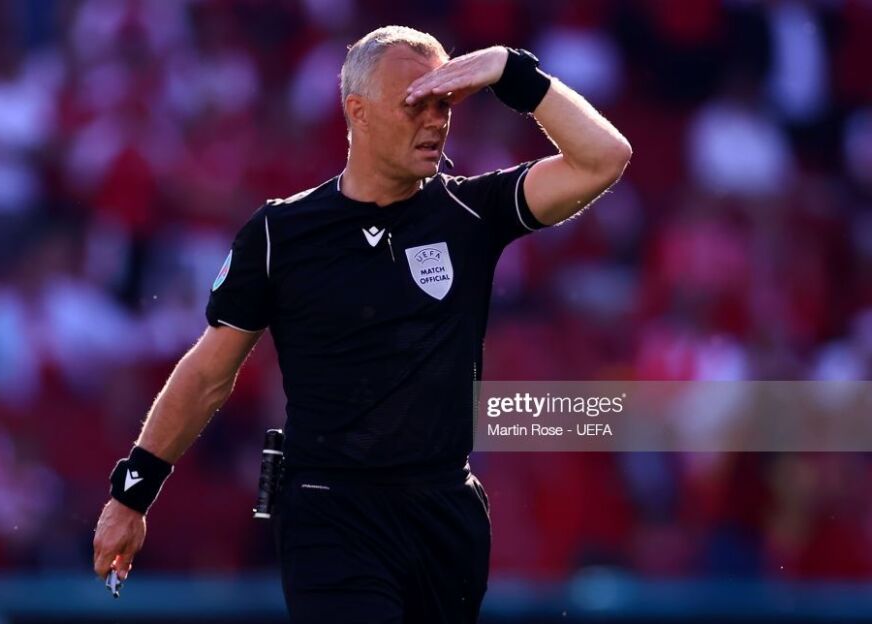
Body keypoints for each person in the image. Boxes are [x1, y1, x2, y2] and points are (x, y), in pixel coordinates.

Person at [92, 25, 631, 623]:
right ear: (358, 111)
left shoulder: (470, 212)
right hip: (330, 511)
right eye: (416, 104)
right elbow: (208, 375)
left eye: (444, 105)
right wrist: (132, 492)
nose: (436, 122)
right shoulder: (281, 234)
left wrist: (513, 71)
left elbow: (604, 159)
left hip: (445, 516)